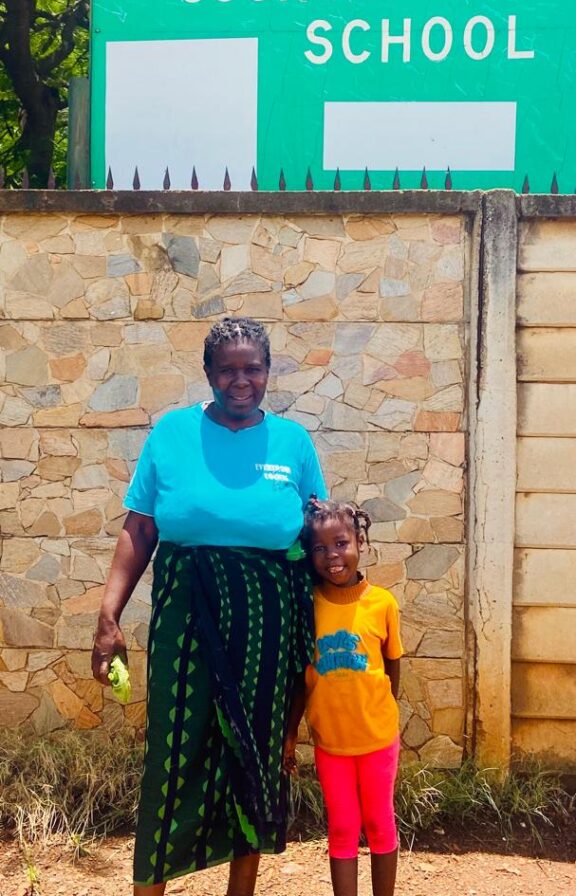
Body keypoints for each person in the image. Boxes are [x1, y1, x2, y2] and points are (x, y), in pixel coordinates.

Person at [91, 316, 327, 896]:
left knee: (255, 757)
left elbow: (320, 535)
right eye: (228, 369)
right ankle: (151, 886)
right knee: (173, 752)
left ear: (268, 372)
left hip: (268, 624)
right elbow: (141, 529)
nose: (241, 380)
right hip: (185, 615)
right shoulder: (171, 434)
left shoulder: (294, 443)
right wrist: (107, 618)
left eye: (253, 369)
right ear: (209, 374)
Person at [283, 498, 403, 896]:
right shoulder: (309, 606)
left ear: (360, 544)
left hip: (377, 739)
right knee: (342, 827)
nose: (332, 555)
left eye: (341, 543)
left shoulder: (382, 603)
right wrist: (291, 734)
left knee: (380, 822)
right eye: (319, 548)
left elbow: (392, 666)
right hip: (330, 743)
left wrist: (382, 713)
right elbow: (303, 679)